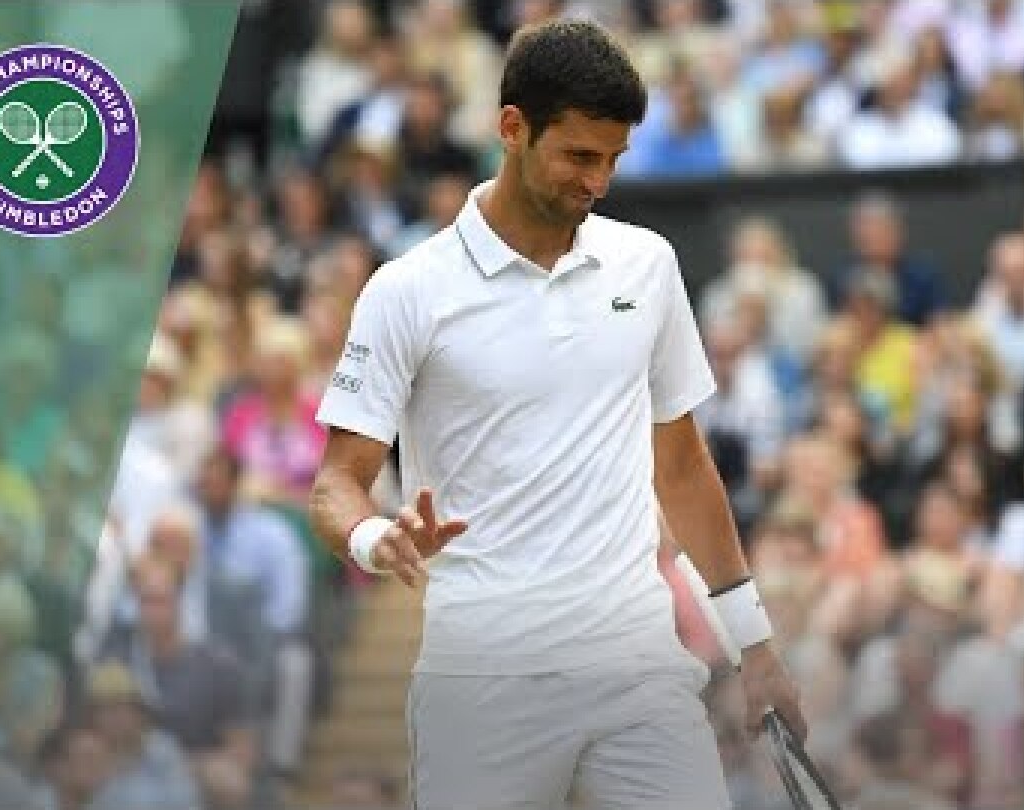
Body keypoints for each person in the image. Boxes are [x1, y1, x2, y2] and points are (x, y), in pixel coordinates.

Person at [308, 19, 803, 810]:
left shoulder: (649, 264)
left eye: (612, 159)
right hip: (481, 680)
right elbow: (337, 482)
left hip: (637, 667)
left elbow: (681, 467)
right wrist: (376, 535)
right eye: (579, 155)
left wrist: (757, 645)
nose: (598, 181)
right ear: (512, 127)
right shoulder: (407, 291)